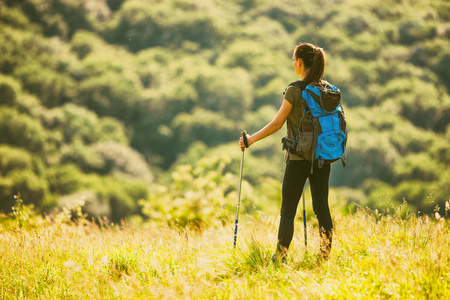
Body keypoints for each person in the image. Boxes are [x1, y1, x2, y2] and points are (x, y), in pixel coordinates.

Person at [239, 42, 334, 261]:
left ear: (300, 62)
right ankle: (324, 257)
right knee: (322, 208)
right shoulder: (326, 89)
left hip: (298, 157)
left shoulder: (295, 90)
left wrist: (250, 139)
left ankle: (280, 258)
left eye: (293, 60)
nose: (293, 63)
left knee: (288, 211)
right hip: (322, 157)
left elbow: (277, 124)